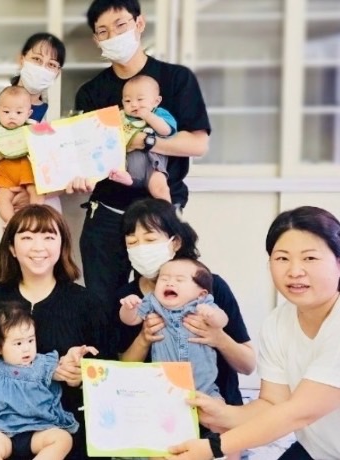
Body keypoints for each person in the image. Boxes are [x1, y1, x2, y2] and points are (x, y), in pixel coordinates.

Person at [168, 206, 340, 460]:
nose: (294, 271)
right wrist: (223, 413)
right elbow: (273, 403)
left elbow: (299, 412)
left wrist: (213, 447)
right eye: (282, 258)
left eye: (310, 258)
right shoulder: (278, 322)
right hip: (318, 450)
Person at [75, 0, 210, 306]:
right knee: (103, 306)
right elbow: (87, 153)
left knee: (167, 301)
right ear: (96, 39)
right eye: (103, 31)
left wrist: (144, 142)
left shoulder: (176, 79)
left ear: (139, 24)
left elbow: (197, 143)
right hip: (107, 211)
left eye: (120, 25)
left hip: (160, 212)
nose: (113, 36)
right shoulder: (91, 92)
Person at [0, 204, 115, 460]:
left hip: (58, 419)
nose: (38, 247)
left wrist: (79, 375)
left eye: (48, 237)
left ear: (62, 245)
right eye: (27, 237)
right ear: (12, 247)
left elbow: (106, 371)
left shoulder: (86, 303)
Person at [116, 198, 256, 410]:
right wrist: (144, 338)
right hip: (161, 411)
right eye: (132, 243)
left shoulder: (209, 287)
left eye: (150, 239)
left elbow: (248, 366)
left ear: (175, 243)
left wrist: (218, 338)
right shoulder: (129, 299)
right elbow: (122, 369)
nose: (141, 249)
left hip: (217, 407)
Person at [0, 32, 66, 303]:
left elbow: (60, 168)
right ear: (22, 59)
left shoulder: (54, 113)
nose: (42, 68)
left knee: (44, 273)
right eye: (36, 59)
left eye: (51, 65)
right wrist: (23, 140)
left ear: (57, 73)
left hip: (40, 195)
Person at [0, 302, 82, 460]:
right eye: (18, 343)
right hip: (1, 430)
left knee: (63, 439)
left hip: (38, 429)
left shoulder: (42, 364)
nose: (26, 348)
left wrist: (71, 360)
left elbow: (61, 370)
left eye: (30, 341)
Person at [120, 258, 227, 399]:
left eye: (179, 280)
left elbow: (223, 321)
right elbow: (131, 320)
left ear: (201, 294)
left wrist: (212, 315)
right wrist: (129, 308)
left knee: (216, 407)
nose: (170, 283)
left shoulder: (203, 304)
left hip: (204, 388)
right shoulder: (152, 303)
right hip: (165, 388)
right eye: (163, 279)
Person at [0, 86, 43, 224]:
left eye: (19, 112)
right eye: (6, 111)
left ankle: (34, 219)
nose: (12, 116)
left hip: (27, 169)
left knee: (36, 192)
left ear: (28, 114)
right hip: (3, 173)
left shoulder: (33, 125)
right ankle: (11, 223)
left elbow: (45, 139)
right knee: (2, 198)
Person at [110, 74, 177, 202]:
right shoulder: (120, 116)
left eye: (140, 100)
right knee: (117, 170)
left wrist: (148, 116)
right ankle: (128, 179)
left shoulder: (158, 113)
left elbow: (166, 131)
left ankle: (168, 212)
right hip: (129, 164)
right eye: (127, 101)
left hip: (153, 165)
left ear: (156, 101)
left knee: (160, 189)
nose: (134, 104)